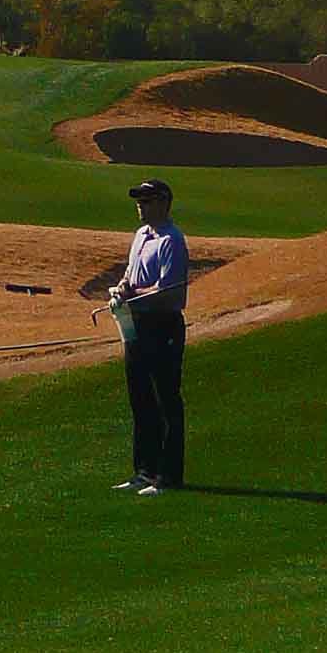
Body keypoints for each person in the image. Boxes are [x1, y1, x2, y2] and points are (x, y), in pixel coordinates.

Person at [111, 177, 190, 494]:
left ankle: (168, 476)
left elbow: (168, 293)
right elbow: (131, 276)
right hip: (137, 325)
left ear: (163, 204)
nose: (140, 207)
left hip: (163, 325)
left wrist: (133, 296)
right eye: (139, 201)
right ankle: (144, 471)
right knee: (140, 398)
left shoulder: (172, 240)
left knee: (164, 399)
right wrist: (121, 289)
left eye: (146, 201)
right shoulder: (141, 236)